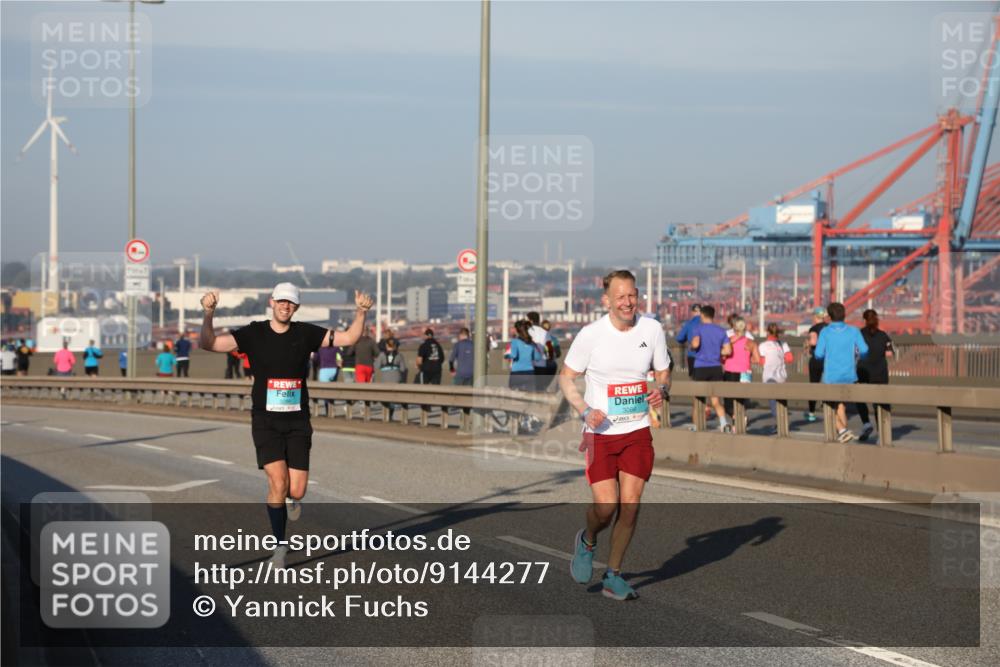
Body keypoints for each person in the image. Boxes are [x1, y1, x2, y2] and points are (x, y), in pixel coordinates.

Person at [199, 281, 373, 569]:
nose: (285, 306)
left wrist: (361, 313)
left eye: (290, 303)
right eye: (281, 301)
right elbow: (210, 344)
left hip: (297, 420)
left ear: (297, 307)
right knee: (277, 483)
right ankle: (280, 547)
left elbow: (349, 338)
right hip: (265, 421)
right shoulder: (254, 333)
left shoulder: (305, 333)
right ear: (272, 302)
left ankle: (292, 500)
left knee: (298, 489)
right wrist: (208, 313)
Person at [559, 270, 671, 601]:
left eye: (632, 295)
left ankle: (614, 574)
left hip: (636, 429)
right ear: (606, 300)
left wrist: (661, 389)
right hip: (600, 433)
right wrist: (583, 409)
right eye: (620, 297)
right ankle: (588, 540)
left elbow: (663, 370)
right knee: (606, 507)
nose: (627, 302)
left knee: (631, 505)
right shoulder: (591, 335)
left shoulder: (652, 329)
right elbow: (566, 378)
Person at [814, 302, 869, 443]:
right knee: (841, 407)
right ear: (844, 315)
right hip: (849, 376)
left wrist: (823, 354)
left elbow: (818, 354)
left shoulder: (825, 332)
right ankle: (844, 436)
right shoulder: (854, 331)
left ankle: (842, 430)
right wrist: (857, 359)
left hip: (831, 377)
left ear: (830, 316)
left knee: (827, 408)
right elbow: (864, 350)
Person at [689, 305, 733, 432]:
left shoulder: (698, 329)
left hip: (701, 367)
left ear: (702, 315)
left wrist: (692, 346)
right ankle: (724, 424)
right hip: (716, 367)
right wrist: (716, 352)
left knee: (699, 400)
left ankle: (697, 426)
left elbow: (696, 343)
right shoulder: (721, 331)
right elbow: (728, 350)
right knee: (715, 400)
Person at [855, 309, 893, 443]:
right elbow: (889, 354)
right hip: (880, 372)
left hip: (863, 371)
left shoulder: (858, 334)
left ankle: (866, 423)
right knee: (880, 402)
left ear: (864, 320)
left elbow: (854, 352)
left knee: (859, 397)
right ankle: (882, 430)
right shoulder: (883, 335)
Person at [757, 324, 794, 430]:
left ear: (767, 332)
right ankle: (783, 423)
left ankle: (780, 424)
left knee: (773, 404)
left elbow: (761, 362)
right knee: (782, 401)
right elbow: (790, 359)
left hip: (770, 377)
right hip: (782, 377)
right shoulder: (783, 344)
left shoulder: (763, 345)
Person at [722, 317, 758, 424]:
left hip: (731, 371)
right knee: (741, 399)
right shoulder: (750, 342)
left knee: (728, 401)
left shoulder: (729, 340)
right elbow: (757, 359)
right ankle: (740, 420)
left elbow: (723, 355)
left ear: (734, 327)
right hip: (745, 372)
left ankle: (736, 418)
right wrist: (747, 358)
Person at [803, 307, 828, 422]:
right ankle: (828, 407)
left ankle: (812, 412)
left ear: (815, 316)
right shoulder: (828, 327)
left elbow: (813, 342)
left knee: (813, 384)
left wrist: (807, 343)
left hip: (817, 359)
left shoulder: (814, 328)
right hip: (828, 359)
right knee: (827, 383)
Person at [506, 320, 541, 392]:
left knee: (513, 396)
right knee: (530, 397)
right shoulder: (531, 342)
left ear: (516, 330)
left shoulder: (515, 341)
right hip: (529, 372)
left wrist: (507, 355)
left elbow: (514, 355)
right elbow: (537, 357)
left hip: (517, 373)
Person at [377, 338, 407, 420]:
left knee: (384, 396)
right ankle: (391, 412)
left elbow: (377, 366)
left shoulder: (382, 355)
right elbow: (403, 369)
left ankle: (389, 409)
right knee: (393, 396)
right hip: (396, 379)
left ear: (386, 345)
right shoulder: (399, 355)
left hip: (385, 380)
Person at [526, 311, 554, 390]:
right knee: (540, 388)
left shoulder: (527, 332)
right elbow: (549, 350)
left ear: (530, 321)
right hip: (542, 364)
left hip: (529, 365)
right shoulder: (545, 332)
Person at [674, 303, 702, 378]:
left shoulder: (689, 324)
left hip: (692, 354)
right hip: (707, 357)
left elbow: (679, 338)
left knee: (694, 378)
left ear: (692, 312)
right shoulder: (706, 323)